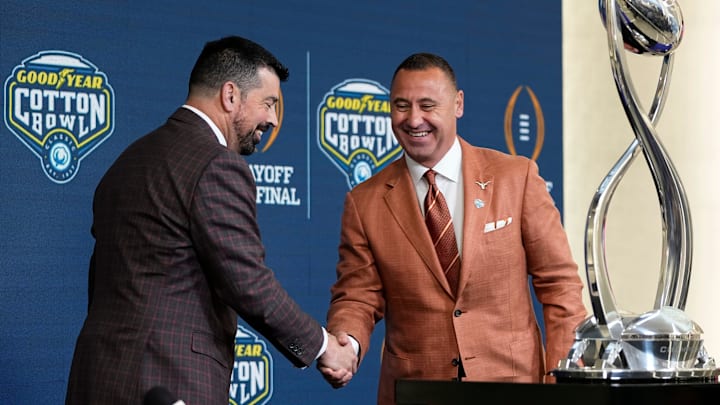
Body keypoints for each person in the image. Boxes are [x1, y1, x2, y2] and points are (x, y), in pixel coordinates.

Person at [65, 36, 356, 404]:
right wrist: (323, 346)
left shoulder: (127, 162)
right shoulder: (218, 164)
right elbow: (247, 282)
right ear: (230, 96)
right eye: (268, 103)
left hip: (97, 378)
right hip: (164, 381)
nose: (273, 119)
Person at [322, 53, 587, 404]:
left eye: (427, 105)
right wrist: (347, 342)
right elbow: (357, 295)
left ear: (458, 104)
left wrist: (562, 374)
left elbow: (559, 285)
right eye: (401, 106)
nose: (414, 119)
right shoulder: (365, 201)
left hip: (513, 384)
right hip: (416, 389)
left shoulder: (516, 177)